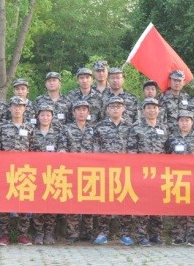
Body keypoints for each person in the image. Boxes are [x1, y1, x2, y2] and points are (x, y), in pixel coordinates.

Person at [57, 100, 101, 243]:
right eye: (78, 110)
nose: (81, 112)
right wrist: (62, 151)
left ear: (88, 112)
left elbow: (97, 149)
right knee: (72, 201)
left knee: (89, 201)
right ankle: (73, 232)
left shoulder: (93, 129)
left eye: (84, 110)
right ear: (73, 112)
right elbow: (62, 146)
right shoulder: (66, 129)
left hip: (89, 171)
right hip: (71, 170)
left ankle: (87, 232)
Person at [128, 97, 168, 246]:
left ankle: (155, 234)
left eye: (154, 108)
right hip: (142, 173)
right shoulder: (136, 128)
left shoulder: (164, 129)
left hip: (159, 173)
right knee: (142, 204)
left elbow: (167, 151)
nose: (152, 110)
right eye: (149, 108)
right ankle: (141, 235)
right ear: (143, 111)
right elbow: (131, 151)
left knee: (158, 203)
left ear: (159, 110)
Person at [94, 96, 133, 245]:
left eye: (118, 106)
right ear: (107, 109)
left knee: (125, 201)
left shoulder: (130, 127)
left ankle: (125, 234)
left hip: (125, 171)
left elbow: (133, 149)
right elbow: (96, 149)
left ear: (123, 109)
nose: (115, 109)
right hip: (105, 170)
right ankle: (103, 233)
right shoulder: (99, 127)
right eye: (112, 107)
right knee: (104, 201)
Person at [165, 110, 194, 246]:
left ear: (192, 122)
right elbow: (166, 157)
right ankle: (179, 234)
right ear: (178, 122)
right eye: (182, 120)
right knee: (178, 206)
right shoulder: (171, 139)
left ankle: (193, 235)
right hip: (176, 178)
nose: (184, 123)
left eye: (187, 120)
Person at [0, 96, 34, 246]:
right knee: (5, 203)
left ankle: (22, 234)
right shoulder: (2, 127)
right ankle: (4, 234)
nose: (17, 109)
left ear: (24, 109)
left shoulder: (30, 128)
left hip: (25, 171)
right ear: (10, 108)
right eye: (14, 106)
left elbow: (34, 150)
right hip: (6, 171)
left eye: (20, 106)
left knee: (23, 203)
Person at [30, 104, 62, 245]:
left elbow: (62, 149)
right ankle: (38, 233)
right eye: (42, 115)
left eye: (48, 115)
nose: (45, 118)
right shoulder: (32, 132)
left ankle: (49, 232)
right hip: (36, 173)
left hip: (53, 173)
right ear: (38, 117)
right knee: (38, 203)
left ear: (52, 117)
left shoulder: (58, 133)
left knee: (51, 202)